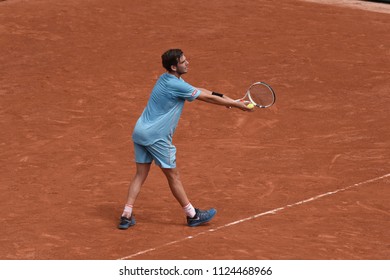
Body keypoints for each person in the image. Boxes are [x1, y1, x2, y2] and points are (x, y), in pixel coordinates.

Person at [118, 49, 252, 229]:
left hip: (140, 132)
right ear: (174, 66)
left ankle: (126, 214)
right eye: (183, 61)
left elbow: (202, 90)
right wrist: (236, 105)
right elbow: (205, 97)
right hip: (156, 137)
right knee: (173, 176)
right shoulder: (176, 85)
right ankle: (192, 215)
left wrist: (228, 100)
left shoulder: (166, 79)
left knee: (140, 174)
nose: (187, 63)